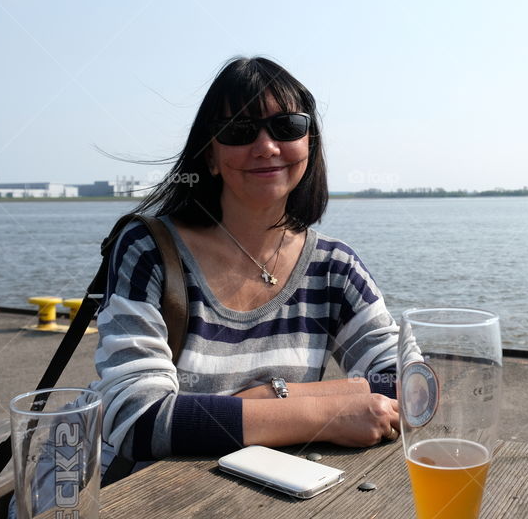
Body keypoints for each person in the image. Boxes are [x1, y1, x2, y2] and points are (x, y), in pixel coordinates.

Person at [91, 57, 400, 475]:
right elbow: (137, 421)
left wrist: (274, 396)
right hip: (133, 491)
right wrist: (328, 412)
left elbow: (411, 384)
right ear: (211, 156)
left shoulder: (335, 268)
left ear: (310, 142)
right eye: (238, 130)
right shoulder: (149, 251)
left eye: (286, 125)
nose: (266, 146)